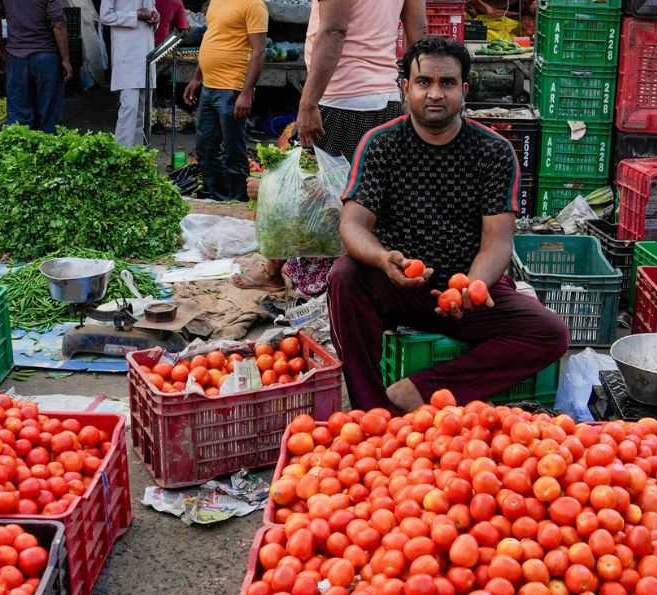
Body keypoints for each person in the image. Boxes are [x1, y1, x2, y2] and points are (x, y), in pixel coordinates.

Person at [327, 37, 569, 412]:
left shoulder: (493, 151)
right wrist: (383, 259)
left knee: (551, 333)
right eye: (424, 82)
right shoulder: (381, 144)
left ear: (464, 90)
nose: (435, 94)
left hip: (467, 291)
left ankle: (422, 391)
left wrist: (473, 287)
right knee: (344, 276)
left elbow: (496, 242)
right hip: (398, 287)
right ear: (405, 88)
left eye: (448, 83)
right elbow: (353, 224)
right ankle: (371, 411)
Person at [233, 0, 427, 295]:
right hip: (384, 96)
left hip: (340, 97)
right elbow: (419, 31)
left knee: (306, 192)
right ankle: (359, 279)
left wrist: (308, 101)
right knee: (367, 196)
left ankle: (277, 273)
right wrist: (415, 92)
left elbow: (334, 31)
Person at [183, 0, 268, 201]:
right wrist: (196, 78)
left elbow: (259, 52)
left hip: (232, 88)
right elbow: (211, 39)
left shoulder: (254, 4)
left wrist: (246, 93)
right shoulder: (216, 1)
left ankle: (239, 201)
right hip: (209, 87)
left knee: (233, 151)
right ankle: (222, 199)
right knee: (205, 149)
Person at [0, 0, 72, 133]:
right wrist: (65, 59)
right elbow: (58, 23)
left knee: (18, 114)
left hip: (16, 57)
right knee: (50, 112)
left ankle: (17, 144)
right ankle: (48, 143)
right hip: (46, 56)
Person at [101, 0, 159, 147]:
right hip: (127, 53)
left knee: (143, 111)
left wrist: (155, 16)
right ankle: (122, 154)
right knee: (129, 107)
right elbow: (105, 16)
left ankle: (138, 154)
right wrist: (136, 15)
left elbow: (152, 10)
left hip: (147, 51)